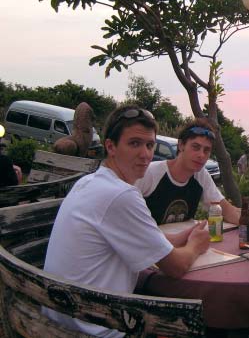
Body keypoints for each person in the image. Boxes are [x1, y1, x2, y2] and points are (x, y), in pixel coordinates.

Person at [43, 105, 210, 337]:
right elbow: (176, 267)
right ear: (110, 146)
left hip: (59, 317)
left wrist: (182, 237)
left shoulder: (89, 182)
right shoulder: (121, 195)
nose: (145, 154)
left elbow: (143, 237)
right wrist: (195, 246)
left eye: (149, 145)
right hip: (95, 329)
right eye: (134, 143)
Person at [136, 119, 249, 230]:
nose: (201, 155)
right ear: (181, 145)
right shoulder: (150, 173)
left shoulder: (200, 175)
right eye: (195, 147)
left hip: (184, 243)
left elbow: (225, 210)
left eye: (206, 150)